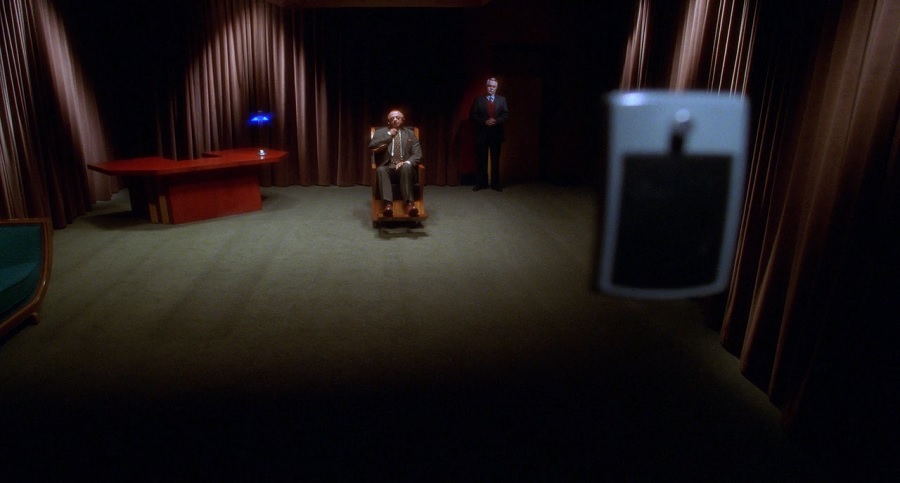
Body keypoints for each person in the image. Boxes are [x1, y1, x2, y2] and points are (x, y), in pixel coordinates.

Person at [368, 110, 422, 217]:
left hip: (405, 169)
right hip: (388, 167)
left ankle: (410, 205)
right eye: (392, 118)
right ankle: (388, 205)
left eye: (397, 117)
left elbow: (418, 154)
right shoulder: (380, 133)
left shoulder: (410, 134)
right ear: (389, 121)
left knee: (406, 167)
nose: (395, 120)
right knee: (381, 169)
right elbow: (372, 145)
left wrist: (407, 162)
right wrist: (389, 135)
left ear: (403, 120)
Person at [470, 77, 510, 192]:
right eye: (489, 86)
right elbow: (473, 115)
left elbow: (506, 115)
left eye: (493, 86)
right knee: (481, 160)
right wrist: (484, 121)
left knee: (495, 160)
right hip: (482, 134)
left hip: (496, 135)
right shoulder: (479, 100)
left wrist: (496, 121)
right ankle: (481, 183)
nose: (491, 88)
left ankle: (495, 184)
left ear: (496, 88)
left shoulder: (502, 100)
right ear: (486, 87)